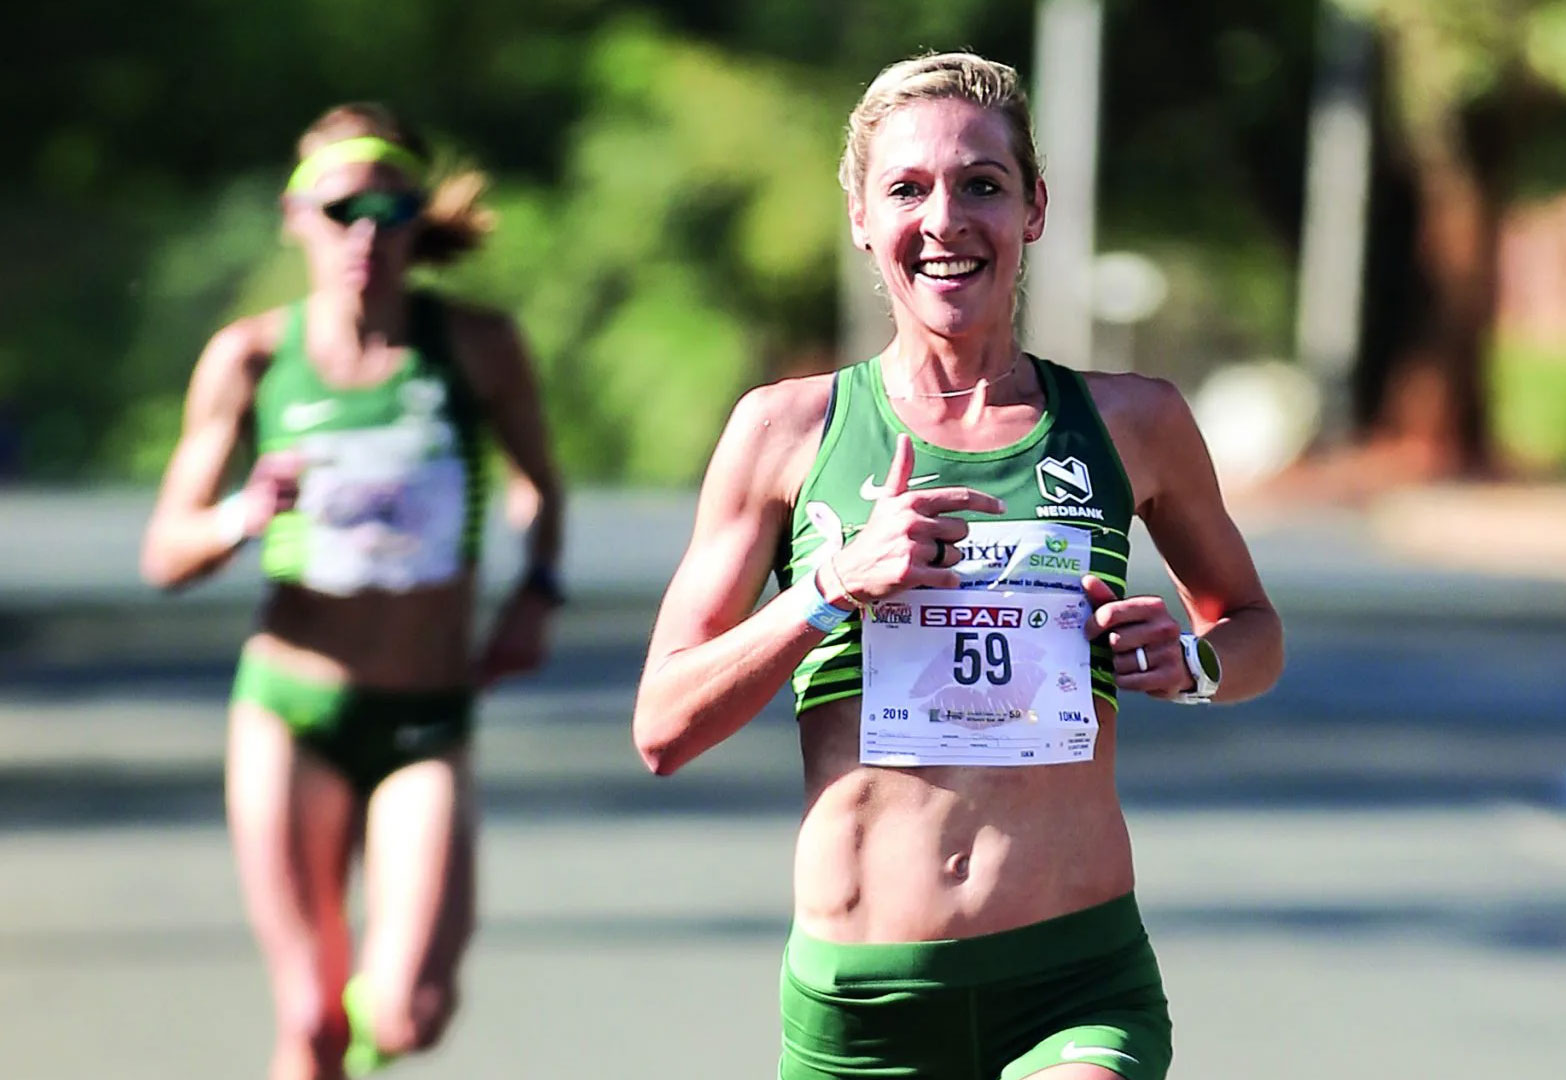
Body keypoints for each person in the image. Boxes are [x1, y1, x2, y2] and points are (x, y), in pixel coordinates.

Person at [632, 52, 1283, 1080]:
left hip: (1076, 982)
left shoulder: (1135, 421)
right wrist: (830, 589)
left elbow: (1252, 629)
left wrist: (1196, 664)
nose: (945, 220)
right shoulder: (784, 432)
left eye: (981, 183)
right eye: (907, 189)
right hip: (864, 1009)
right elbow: (664, 727)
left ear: (1033, 209)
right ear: (860, 216)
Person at [141, 103, 566, 1080]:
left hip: (427, 715)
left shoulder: (478, 346)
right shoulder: (252, 358)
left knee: (409, 1012)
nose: (365, 234)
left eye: (390, 210)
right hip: (292, 711)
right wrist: (242, 515)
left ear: (418, 221)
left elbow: (539, 483)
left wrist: (537, 593)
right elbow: (165, 551)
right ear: (296, 217)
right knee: (310, 1017)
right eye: (341, 211)